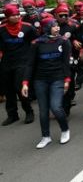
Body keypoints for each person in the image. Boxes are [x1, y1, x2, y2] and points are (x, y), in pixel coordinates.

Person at [21, 19, 71, 148]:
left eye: (58, 26)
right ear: (47, 28)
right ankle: (45, 136)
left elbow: (66, 63)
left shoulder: (64, 42)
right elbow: (30, 64)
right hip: (40, 80)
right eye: (54, 26)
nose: (57, 28)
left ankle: (65, 130)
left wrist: (67, 80)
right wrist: (25, 82)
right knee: (43, 110)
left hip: (57, 78)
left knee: (56, 107)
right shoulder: (36, 43)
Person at [0, 4, 37, 125]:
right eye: (13, 15)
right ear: (7, 17)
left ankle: (29, 111)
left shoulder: (28, 27)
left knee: (19, 87)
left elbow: (36, 42)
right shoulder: (2, 29)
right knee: (8, 89)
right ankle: (12, 115)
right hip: (6, 62)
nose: (16, 17)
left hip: (23, 62)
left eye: (17, 15)